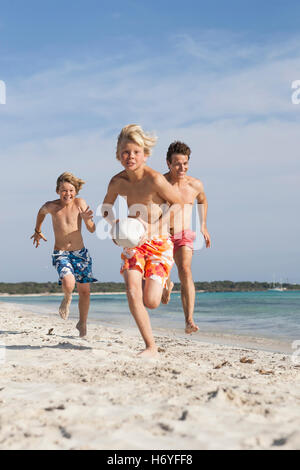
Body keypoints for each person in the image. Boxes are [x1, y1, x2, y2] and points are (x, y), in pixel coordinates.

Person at [101, 124, 183, 358]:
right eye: (125, 152)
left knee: (152, 302)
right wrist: (115, 225)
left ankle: (165, 283)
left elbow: (177, 203)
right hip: (133, 242)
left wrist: (156, 227)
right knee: (132, 290)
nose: (130, 157)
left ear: (145, 154)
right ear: (119, 155)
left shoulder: (155, 179)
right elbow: (106, 207)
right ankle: (151, 346)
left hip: (158, 241)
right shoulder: (117, 181)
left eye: (136, 152)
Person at [30, 172, 97, 337]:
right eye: (63, 190)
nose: (67, 194)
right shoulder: (51, 206)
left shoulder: (80, 203)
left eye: (71, 190)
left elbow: (92, 229)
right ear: (58, 191)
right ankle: (67, 297)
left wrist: (87, 220)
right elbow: (41, 212)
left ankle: (82, 323)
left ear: (76, 191)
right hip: (61, 253)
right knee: (69, 283)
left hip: (81, 253)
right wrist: (37, 230)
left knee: (85, 291)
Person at [162, 141, 211, 334]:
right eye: (176, 163)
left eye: (185, 163)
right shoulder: (160, 182)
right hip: (162, 234)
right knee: (159, 277)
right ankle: (166, 284)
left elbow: (203, 200)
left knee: (185, 270)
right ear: (168, 163)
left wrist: (203, 225)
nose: (181, 167)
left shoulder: (195, 184)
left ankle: (189, 319)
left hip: (184, 234)